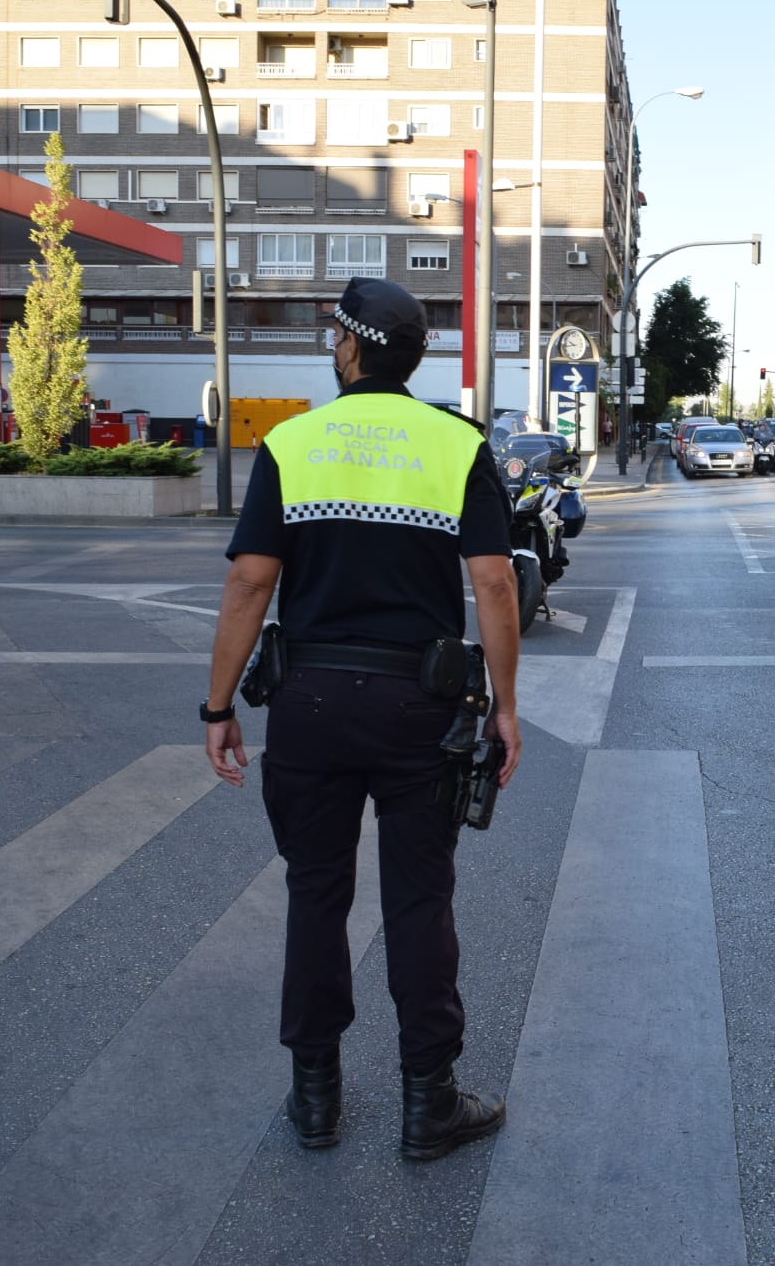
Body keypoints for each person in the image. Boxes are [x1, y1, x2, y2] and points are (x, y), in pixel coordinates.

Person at [203, 277, 522, 1160]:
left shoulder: (294, 443)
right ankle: (430, 1103)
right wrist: (505, 708)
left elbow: (249, 582)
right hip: (419, 707)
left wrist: (219, 703)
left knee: (316, 893)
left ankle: (315, 1099)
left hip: (306, 703)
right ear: (412, 356)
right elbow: (494, 582)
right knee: (421, 899)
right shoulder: (456, 443)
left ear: (348, 349)